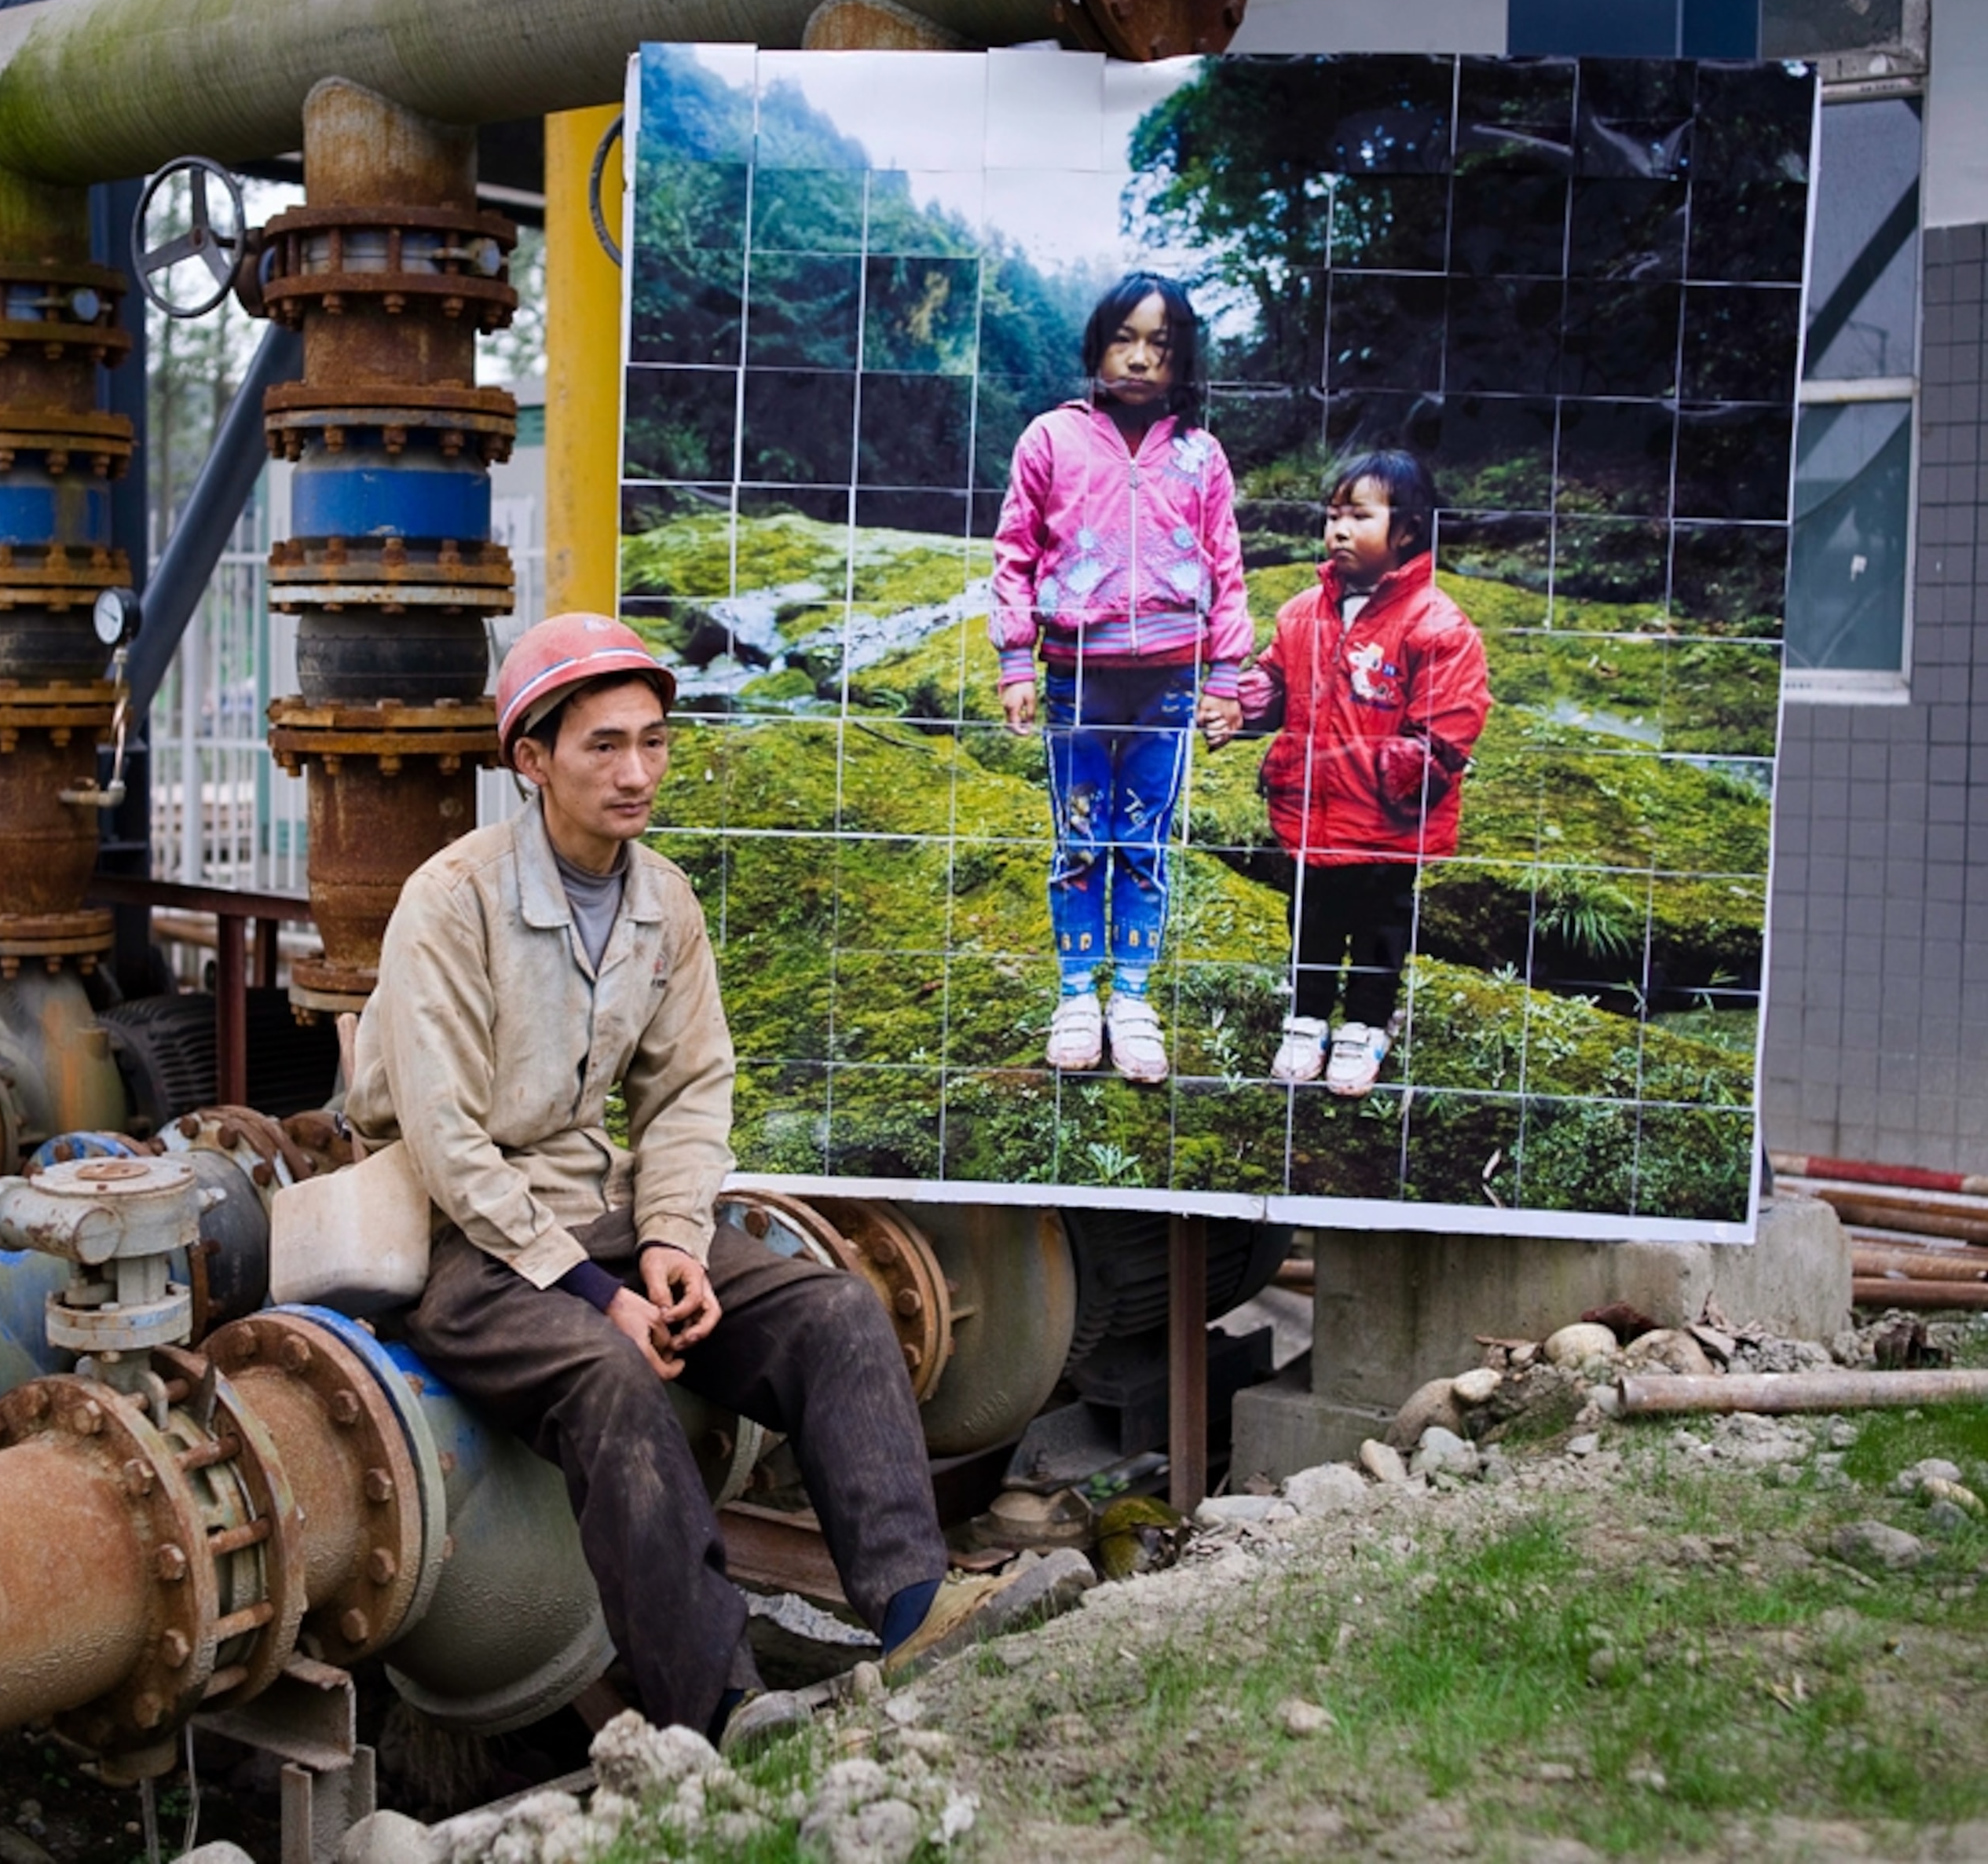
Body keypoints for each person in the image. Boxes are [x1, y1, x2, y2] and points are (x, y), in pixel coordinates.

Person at [344, 612, 1086, 1748]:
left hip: (602, 1212)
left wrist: (672, 1248)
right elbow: (447, 1148)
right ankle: (720, 1708)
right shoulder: (453, 903)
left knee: (835, 1312)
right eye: (604, 746)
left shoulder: (663, 904)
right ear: (532, 761)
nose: (637, 772)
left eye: (653, 741)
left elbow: (690, 1093)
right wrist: (604, 1301)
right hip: (464, 1241)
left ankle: (914, 1604)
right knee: (611, 1379)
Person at [990, 271, 1254, 1085]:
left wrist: (1227, 676)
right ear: (1097, 345)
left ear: (1182, 362)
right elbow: (1013, 552)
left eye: (1161, 346)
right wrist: (1014, 659)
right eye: (1125, 340)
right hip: (1077, 674)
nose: (1140, 360)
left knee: (1144, 839)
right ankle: (1076, 992)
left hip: (1172, 678)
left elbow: (1227, 565)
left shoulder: (1200, 454)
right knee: (1079, 836)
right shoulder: (1050, 440)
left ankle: (1132, 998)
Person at [1215, 449, 1491, 1098]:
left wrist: (1373, 772)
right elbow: (1275, 680)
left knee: (1379, 924)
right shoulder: (1304, 612)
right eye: (1332, 516)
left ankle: (1367, 1023)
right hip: (1312, 812)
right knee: (1311, 918)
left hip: (1385, 825)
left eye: (1358, 516)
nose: (1337, 530)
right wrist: (1238, 705)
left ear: (1407, 529)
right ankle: (1307, 1016)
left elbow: (1446, 733)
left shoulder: (1438, 626)